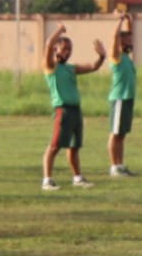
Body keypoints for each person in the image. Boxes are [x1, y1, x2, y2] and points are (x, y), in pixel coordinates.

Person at [41, 24, 105, 191]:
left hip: (75, 110)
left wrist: (102, 57)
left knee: (74, 146)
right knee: (55, 146)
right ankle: (47, 180)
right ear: (57, 49)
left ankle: (77, 178)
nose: (67, 52)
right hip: (62, 110)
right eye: (64, 49)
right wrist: (59, 30)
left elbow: (93, 66)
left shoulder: (70, 69)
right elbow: (48, 44)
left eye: (69, 49)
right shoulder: (51, 67)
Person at [107, 11, 137, 177]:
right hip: (119, 98)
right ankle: (114, 167)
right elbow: (115, 37)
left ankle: (120, 165)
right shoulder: (116, 57)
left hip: (127, 99)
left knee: (122, 134)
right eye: (126, 40)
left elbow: (130, 33)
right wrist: (120, 21)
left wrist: (129, 20)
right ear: (120, 43)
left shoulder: (127, 57)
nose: (130, 42)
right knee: (115, 133)